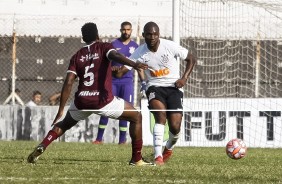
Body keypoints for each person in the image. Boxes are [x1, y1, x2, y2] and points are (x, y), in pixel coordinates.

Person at [27, 22, 154, 166]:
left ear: (83, 38)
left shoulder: (77, 56)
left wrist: (61, 109)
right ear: (97, 35)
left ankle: (43, 144)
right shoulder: (104, 47)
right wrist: (134, 64)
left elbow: (69, 82)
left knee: (63, 125)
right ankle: (137, 159)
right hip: (103, 100)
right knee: (136, 117)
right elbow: (115, 55)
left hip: (82, 101)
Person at [116, 22, 196, 165]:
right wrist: (109, 68)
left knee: (175, 126)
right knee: (160, 115)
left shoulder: (169, 46)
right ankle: (158, 156)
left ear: (159, 35)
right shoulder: (139, 52)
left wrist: (184, 78)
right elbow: (121, 72)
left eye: (155, 34)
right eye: (149, 34)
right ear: (144, 35)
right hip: (154, 87)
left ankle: (169, 148)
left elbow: (191, 58)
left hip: (174, 87)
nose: (152, 37)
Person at [93, 21, 138, 145]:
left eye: (128, 30)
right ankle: (98, 139)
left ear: (131, 31)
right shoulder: (113, 44)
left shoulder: (135, 46)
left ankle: (122, 140)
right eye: (124, 29)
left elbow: (138, 64)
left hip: (127, 82)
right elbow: (105, 62)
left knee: (125, 110)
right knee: (106, 108)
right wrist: (110, 68)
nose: (126, 32)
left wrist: (144, 82)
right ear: (120, 30)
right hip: (112, 81)